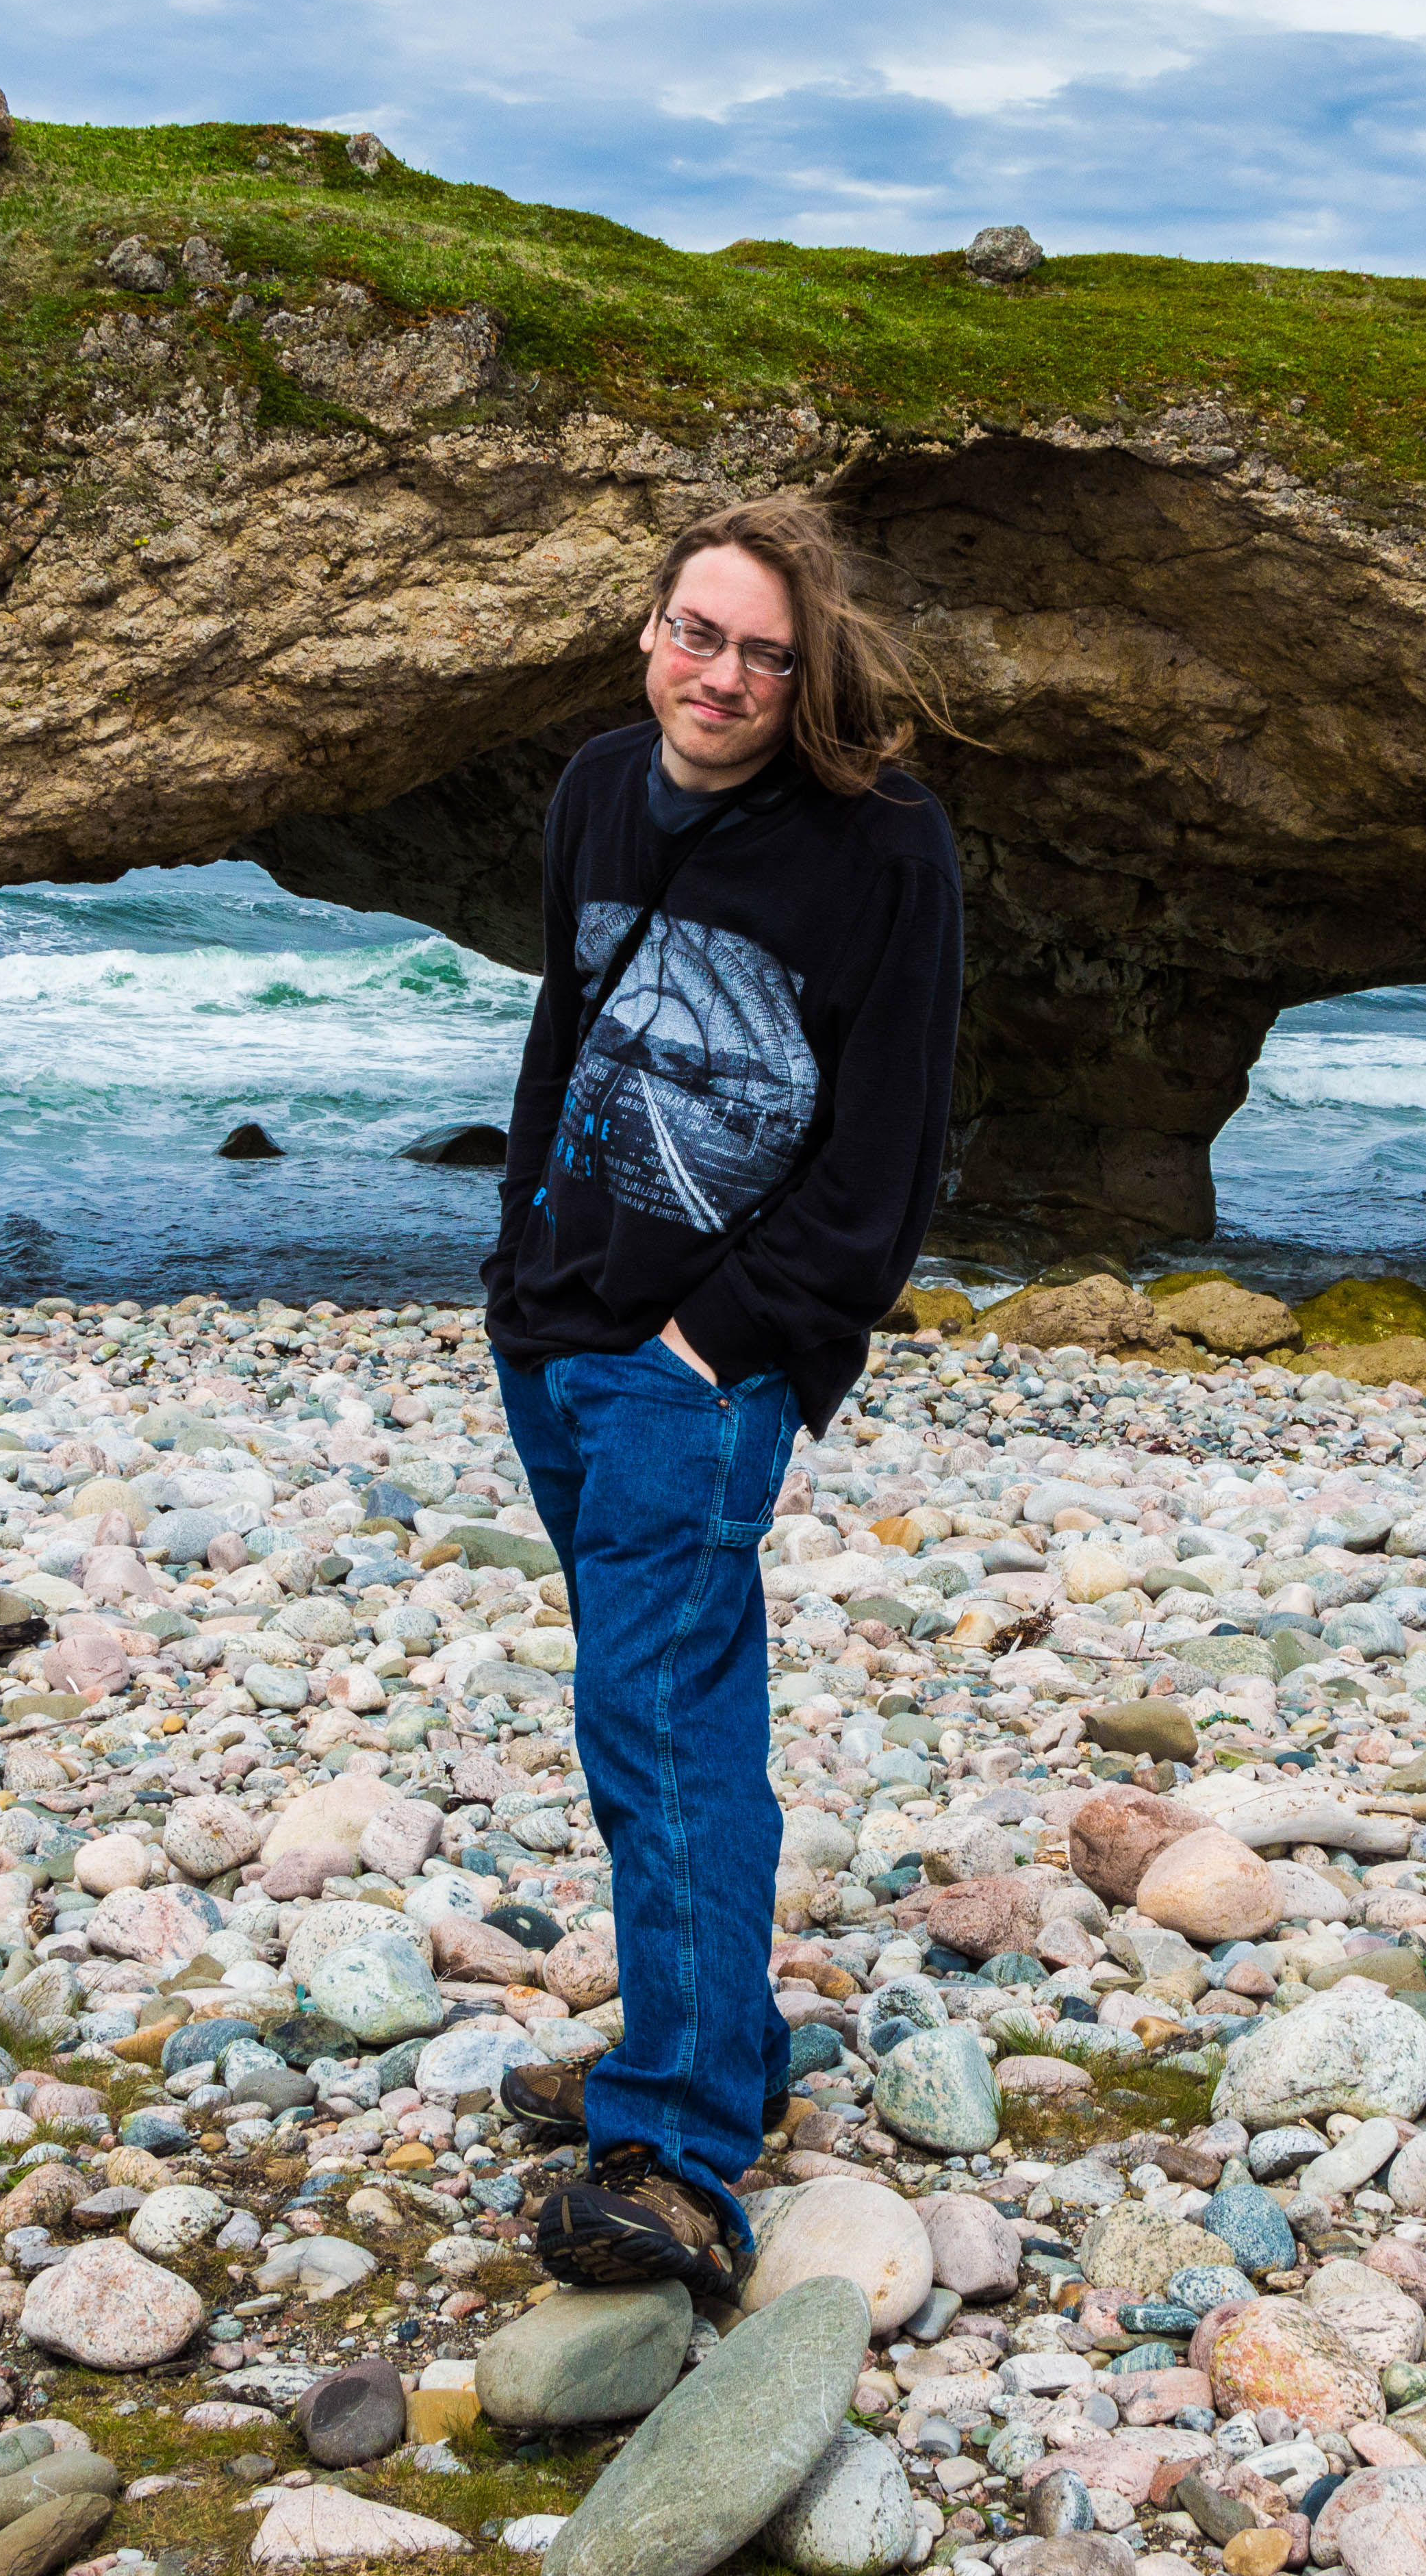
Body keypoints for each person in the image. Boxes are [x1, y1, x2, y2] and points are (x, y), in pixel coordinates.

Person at [478, 494, 965, 2297]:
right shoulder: (600, 791)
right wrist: (519, 1266)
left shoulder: (885, 850)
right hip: (557, 1333)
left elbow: (889, 1157)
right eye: (701, 633)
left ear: (808, 665)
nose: (726, 677)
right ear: (648, 632)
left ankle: (676, 2152)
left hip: (705, 1364)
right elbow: (567, 1023)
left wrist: (723, 1339)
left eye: (768, 651)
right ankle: (707, 2051)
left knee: (668, 1732)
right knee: (645, 1724)